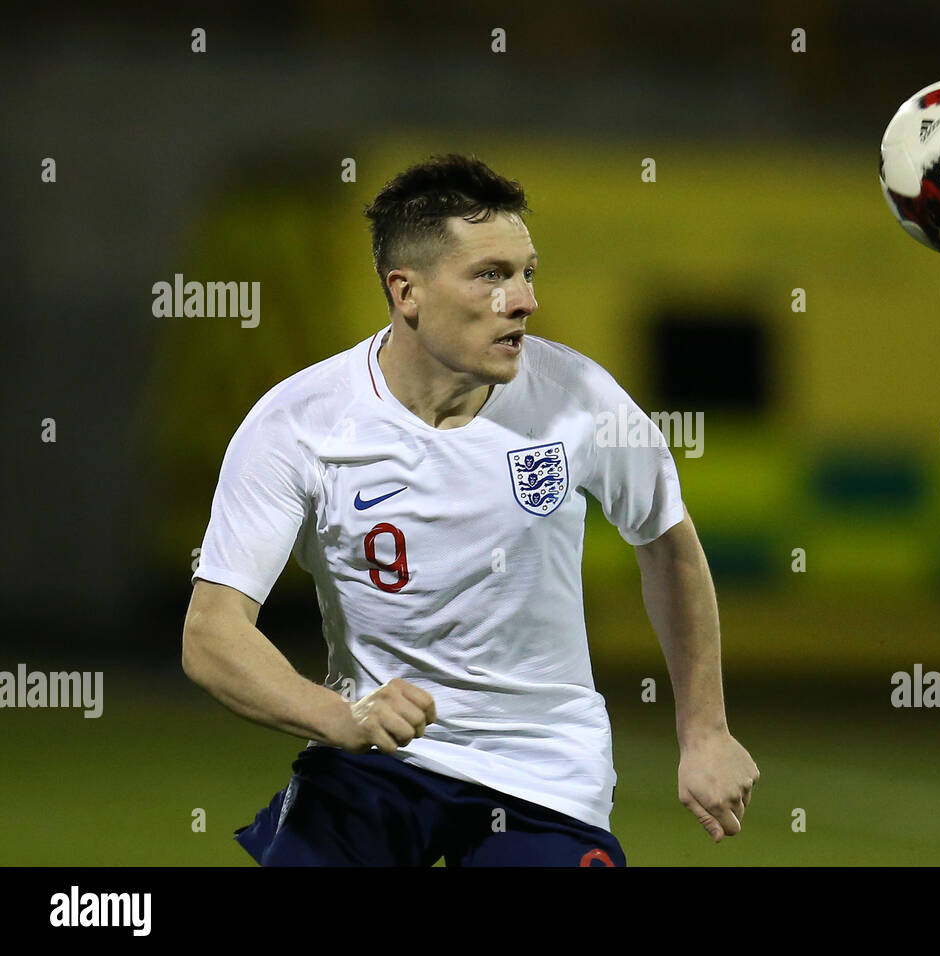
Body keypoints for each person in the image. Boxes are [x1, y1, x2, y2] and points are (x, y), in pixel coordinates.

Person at [181, 153, 758, 866]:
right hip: (374, 762)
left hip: (544, 775)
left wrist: (705, 732)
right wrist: (342, 716)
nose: (523, 301)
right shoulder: (301, 422)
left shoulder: (580, 398)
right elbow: (212, 634)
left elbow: (668, 546)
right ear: (407, 292)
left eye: (527, 273)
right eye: (491, 275)